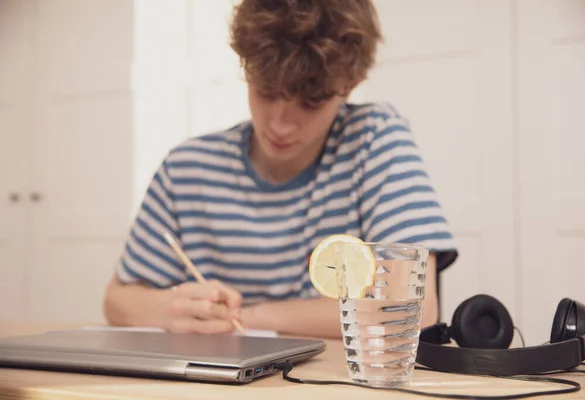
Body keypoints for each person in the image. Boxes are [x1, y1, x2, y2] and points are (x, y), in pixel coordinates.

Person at [103, 0, 458, 339]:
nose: (281, 124)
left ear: (351, 85)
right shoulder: (186, 169)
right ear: (246, 68)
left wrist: (246, 318)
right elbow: (118, 302)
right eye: (267, 92)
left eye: (311, 101)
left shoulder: (373, 139)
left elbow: (411, 305)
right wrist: (168, 309)